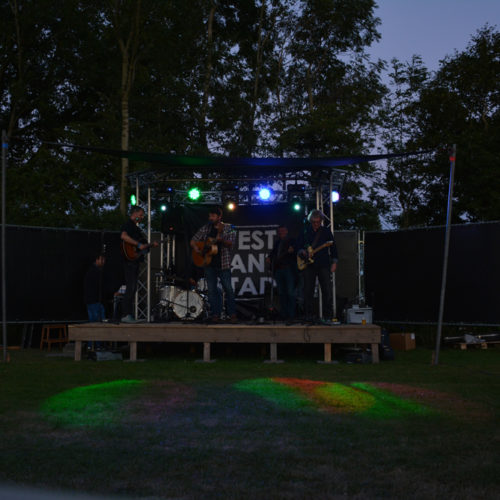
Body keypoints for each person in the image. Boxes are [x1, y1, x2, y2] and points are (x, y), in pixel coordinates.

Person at [190, 206, 237, 323]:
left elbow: (231, 243)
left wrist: (221, 240)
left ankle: (232, 314)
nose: (210, 218)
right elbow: (193, 240)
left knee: (228, 289)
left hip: (223, 264)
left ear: (219, 217)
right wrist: (197, 249)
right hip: (209, 264)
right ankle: (215, 314)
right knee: (211, 290)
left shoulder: (229, 227)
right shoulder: (206, 228)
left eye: (213, 216)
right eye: (210, 216)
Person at [295, 209, 338, 324]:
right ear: (310, 221)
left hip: (323, 264)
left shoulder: (326, 231)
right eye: (314, 222)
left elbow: (333, 247)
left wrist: (334, 262)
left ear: (321, 221)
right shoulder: (305, 231)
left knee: (326, 290)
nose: (316, 224)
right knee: (307, 291)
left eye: (318, 222)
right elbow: (297, 247)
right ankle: (308, 315)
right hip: (308, 265)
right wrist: (302, 252)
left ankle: (327, 316)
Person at [120, 205, 158, 323]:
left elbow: (143, 247)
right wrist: (138, 245)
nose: (142, 217)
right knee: (130, 288)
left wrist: (150, 245)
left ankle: (128, 314)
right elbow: (123, 236)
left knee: (133, 288)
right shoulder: (129, 225)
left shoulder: (136, 228)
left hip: (134, 260)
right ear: (135, 214)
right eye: (141, 215)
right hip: (130, 261)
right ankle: (125, 315)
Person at [266, 225, 297, 322]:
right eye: (280, 231)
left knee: (290, 292)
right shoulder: (277, 243)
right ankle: (284, 314)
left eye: (283, 231)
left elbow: (297, 252)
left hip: (288, 269)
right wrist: (269, 257)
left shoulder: (292, 241)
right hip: (278, 270)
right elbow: (273, 254)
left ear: (286, 231)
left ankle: (291, 315)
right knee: (281, 293)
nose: (281, 233)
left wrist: (293, 251)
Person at [84, 253, 106, 349]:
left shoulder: (94, 271)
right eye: (101, 260)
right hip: (94, 301)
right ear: (96, 260)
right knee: (97, 323)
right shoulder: (94, 271)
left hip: (93, 301)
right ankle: (96, 345)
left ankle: (93, 345)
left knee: (95, 323)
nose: (103, 262)